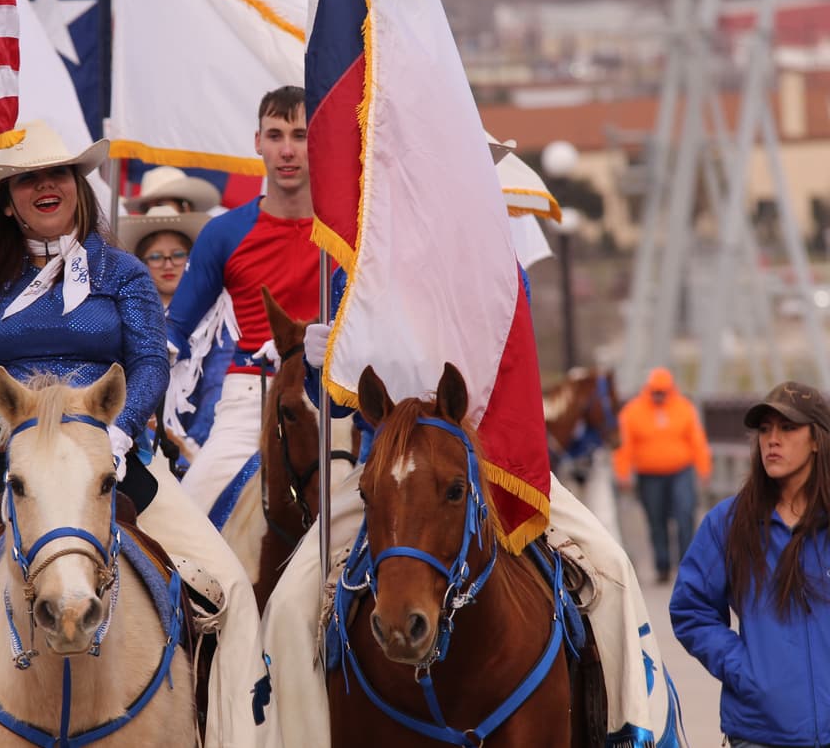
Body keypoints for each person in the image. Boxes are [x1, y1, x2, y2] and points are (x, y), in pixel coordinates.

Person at [0, 120, 270, 748]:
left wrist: (121, 432)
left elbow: (152, 360)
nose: (45, 186)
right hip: (0, 463)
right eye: (27, 179)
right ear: (9, 199)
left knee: (231, 588)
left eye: (56, 175)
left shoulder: (122, 272)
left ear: (76, 185)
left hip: (116, 460)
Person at [263, 266, 683, 748]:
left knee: (610, 568)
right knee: (288, 606)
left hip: (490, 459)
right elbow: (337, 405)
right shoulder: (353, 266)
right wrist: (321, 368)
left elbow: (515, 373)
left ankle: (633, 730)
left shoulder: (498, 260)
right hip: (385, 467)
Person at [166, 85, 322, 511]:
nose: (287, 150)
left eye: (301, 135)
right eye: (275, 136)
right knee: (190, 514)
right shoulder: (224, 233)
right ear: (258, 143)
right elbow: (174, 330)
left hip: (328, 400)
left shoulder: (347, 234)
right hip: (249, 399)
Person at [671, 381, 830, 748]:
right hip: (760, 733)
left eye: (788, 428)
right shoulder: (727, 524)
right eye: (764, 429)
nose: (772, 440)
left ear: (817, 440)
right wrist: (747, 670)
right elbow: (690, 609)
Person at [119, 198, 233, 468]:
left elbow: (217, 386)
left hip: (202, 450)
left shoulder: (216, 321)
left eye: (178, 254)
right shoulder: (124, 318)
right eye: (156, 257)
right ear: (141, 264)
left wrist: (191, 447)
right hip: (136, 444)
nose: (168, 264)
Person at [614, 366, 712, 583]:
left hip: (681, 471)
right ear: (648, 389)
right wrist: (623, 472)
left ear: (671, 390)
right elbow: (624, 446)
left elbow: (697, 441)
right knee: (655, 519)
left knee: (685, 513)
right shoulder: (632, 412)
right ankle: (662, 565)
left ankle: (686, 564)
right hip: (649, 474)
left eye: (663, 392)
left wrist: (704, 468)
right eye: (656, 392)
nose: (659, 396)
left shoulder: (684, 408)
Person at [126, 164, 223, 215]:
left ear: (186, 207)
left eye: (160, 205)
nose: (152, 211)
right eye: (145, 209)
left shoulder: (206, 243)